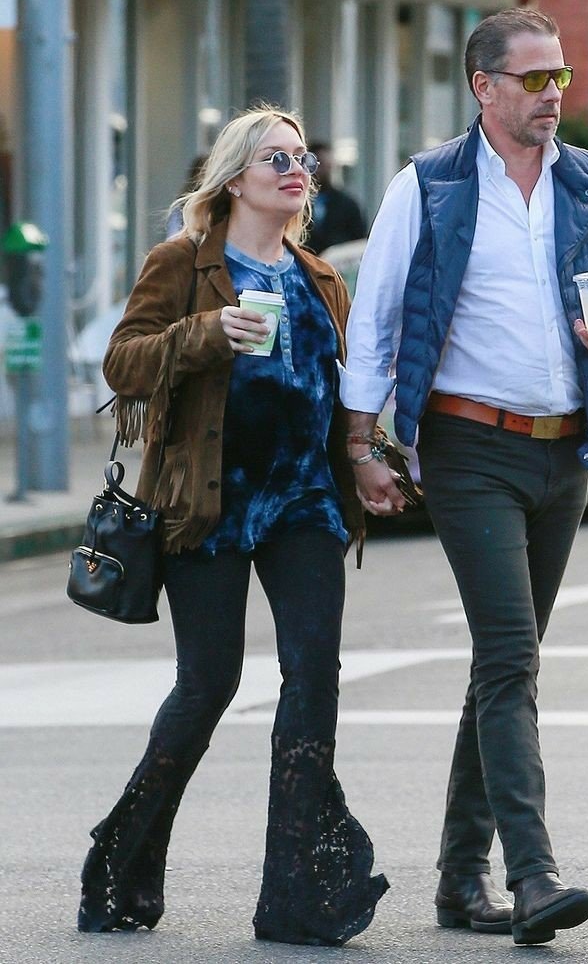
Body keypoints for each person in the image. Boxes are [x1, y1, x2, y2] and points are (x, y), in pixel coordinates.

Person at [339, 8, 588, 948]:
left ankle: (458, 877)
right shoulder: (429, 186)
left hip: (567, 449)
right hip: (469, 446)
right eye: (534, 79)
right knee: (513, 654)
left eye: (560, 77)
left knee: (502, 663)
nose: (553, 94)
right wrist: (361, 445)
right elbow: (378, 319)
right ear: (483, 87)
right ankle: (532, 873)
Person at [77, 106, 388, 946]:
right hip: (208, 498)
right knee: (207, 684)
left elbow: (339, 391)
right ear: (236, 177)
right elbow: (123, 363)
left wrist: (366, 457)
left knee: (313, 677)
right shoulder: (183, 263)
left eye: (303, 160)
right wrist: (206, 333)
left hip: (305, 503)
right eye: (276, 158)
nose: (296, 172)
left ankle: (298, 893)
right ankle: (120, 863)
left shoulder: (320, 277)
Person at [306, 142, 366, 254]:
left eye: (326, 165)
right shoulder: (298, 203)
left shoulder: (347, 205)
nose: (321, 171)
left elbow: (358, 244)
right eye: (316, 166)